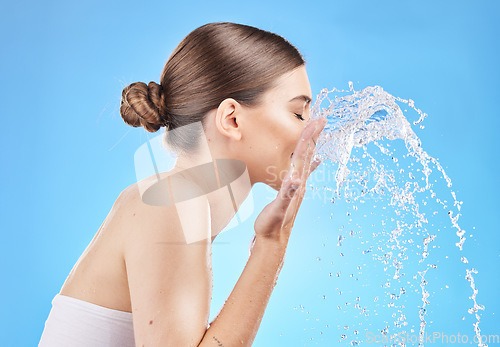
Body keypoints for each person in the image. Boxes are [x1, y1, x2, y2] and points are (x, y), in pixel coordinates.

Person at [38, 21, 327, 347]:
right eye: (299, 113)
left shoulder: (179, 204)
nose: (314, 129)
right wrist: (271, 246)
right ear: (231, 119)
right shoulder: (173, 202)